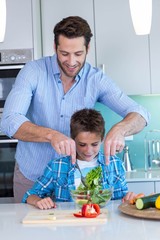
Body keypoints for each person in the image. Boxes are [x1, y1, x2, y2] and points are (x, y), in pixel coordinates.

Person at [1, 16, 150, 203]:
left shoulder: (96, 79)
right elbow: (9, 120)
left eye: (78, 54)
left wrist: (120, 129)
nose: (71, 62)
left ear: (88, 49)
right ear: (55, 47)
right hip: (31, 177)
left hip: (74, 183)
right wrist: (51, 135)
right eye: (64, 53)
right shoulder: (33, 72)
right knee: (28, 229)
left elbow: (140, 113)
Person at [22, 108, 136, 209]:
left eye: (94, 144)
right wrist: (39, 201)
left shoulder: (115, 164)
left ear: (102, 140)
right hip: (69, 226)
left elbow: (121, 200)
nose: (88, 150)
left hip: (104, 225)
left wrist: (128, 198)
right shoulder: (57, 166)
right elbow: (29, 195)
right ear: (72, 139)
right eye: (82, 144)